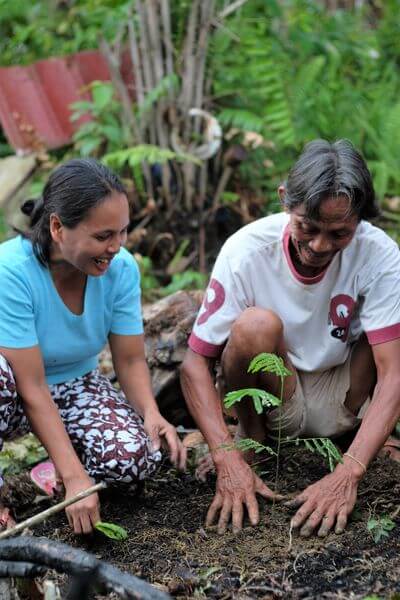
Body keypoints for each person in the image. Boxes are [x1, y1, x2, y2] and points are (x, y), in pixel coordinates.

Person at [181, 139, 400, 538]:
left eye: (339, 234)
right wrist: (226, 457)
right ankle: (252, 438)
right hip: (276, 396)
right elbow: (195, 363)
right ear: (285, 200)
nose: (319, 246)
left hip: (344, 395)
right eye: (307, 227)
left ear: (360, 221)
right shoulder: (246, 251)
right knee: (253, 327)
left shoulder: (378, 253)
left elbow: (394, 374)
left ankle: (364, 435)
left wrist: (349, 474)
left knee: (391, 331)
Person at [0, 158, 186, 534]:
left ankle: (52, 466)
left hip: (76, 383)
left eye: (122, 232)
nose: (116, 247)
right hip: (15, 390)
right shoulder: (11, 271)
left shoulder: (121, 270)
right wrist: (75, 481)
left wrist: (150, 412)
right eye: (103, 236)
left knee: (135, 459)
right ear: (57, 227)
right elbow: (32, 387)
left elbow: (131, 359)